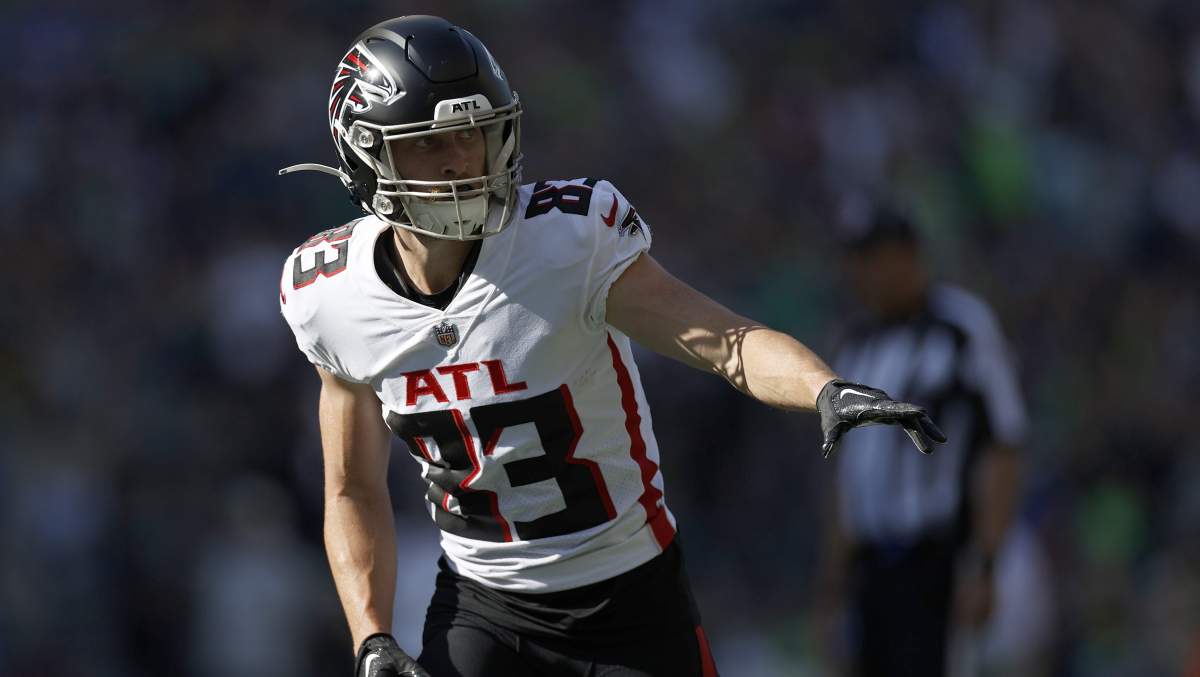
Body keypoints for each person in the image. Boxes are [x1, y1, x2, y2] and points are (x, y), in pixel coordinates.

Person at [277, 16, 945, 677]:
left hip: (629, 600)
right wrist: (371, 635)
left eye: (472, 132)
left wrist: (823, 387)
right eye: (429, 143)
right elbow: (352, 487)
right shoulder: (331, 295)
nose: (460, 159)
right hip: (480, 606)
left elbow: (727, 343)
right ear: (365, 154)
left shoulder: (566, 241)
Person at [815, 204, 1026, 677]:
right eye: (858, 261)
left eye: (875, 259)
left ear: (908, 256)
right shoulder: (856, 345)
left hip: (933, 560)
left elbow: (1003, 445)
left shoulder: (962, 328)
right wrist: (833, 586)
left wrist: (986, 562)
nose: (864, 275)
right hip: (870, 566)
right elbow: (846, 474)